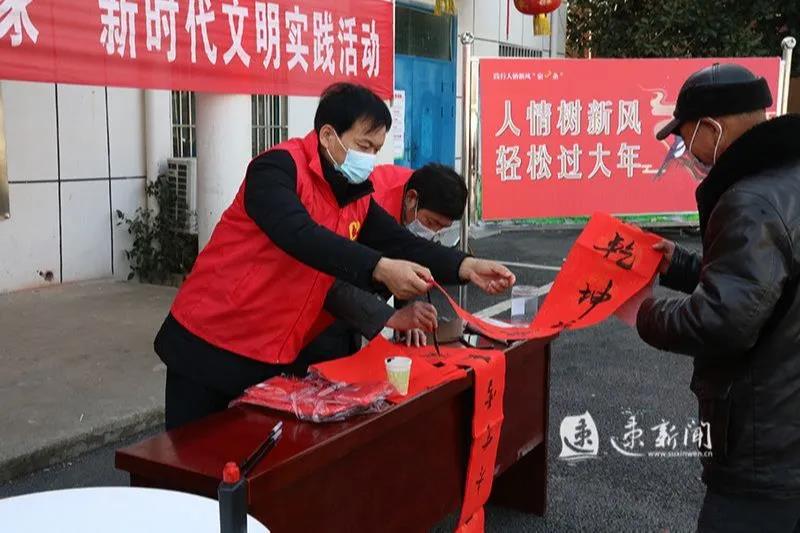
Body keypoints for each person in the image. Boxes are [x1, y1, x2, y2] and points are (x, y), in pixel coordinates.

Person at [155, 83, 515, 430]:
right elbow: (301, 236)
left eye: (376, 149)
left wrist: (465, 266)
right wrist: (379, 268)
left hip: (273, 352)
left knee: (254, 459)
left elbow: (400, 242)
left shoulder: (353, 194)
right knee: (191, 462)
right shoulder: (276, 169)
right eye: (364, 145)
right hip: (208, 343)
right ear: (328, 136)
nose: (369, 159)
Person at [636, 63, 800, 532]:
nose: (686, 151)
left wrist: (643, 313)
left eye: (686, 137)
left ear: (712, 127)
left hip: (763, 445)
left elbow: (725, 320)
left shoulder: (749, 200)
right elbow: (767, 283)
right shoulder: (787, 181)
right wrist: (679, 264)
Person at [300, 163, 470, 362]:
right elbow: (333, 276)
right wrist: (392, 317)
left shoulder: (420, 188)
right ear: (411, 199)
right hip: (313, 303)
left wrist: (408, 315)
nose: (432, 232)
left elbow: (408, 254)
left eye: (442, 228)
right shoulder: (368, 201)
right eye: (431, 223)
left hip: (352, 303)